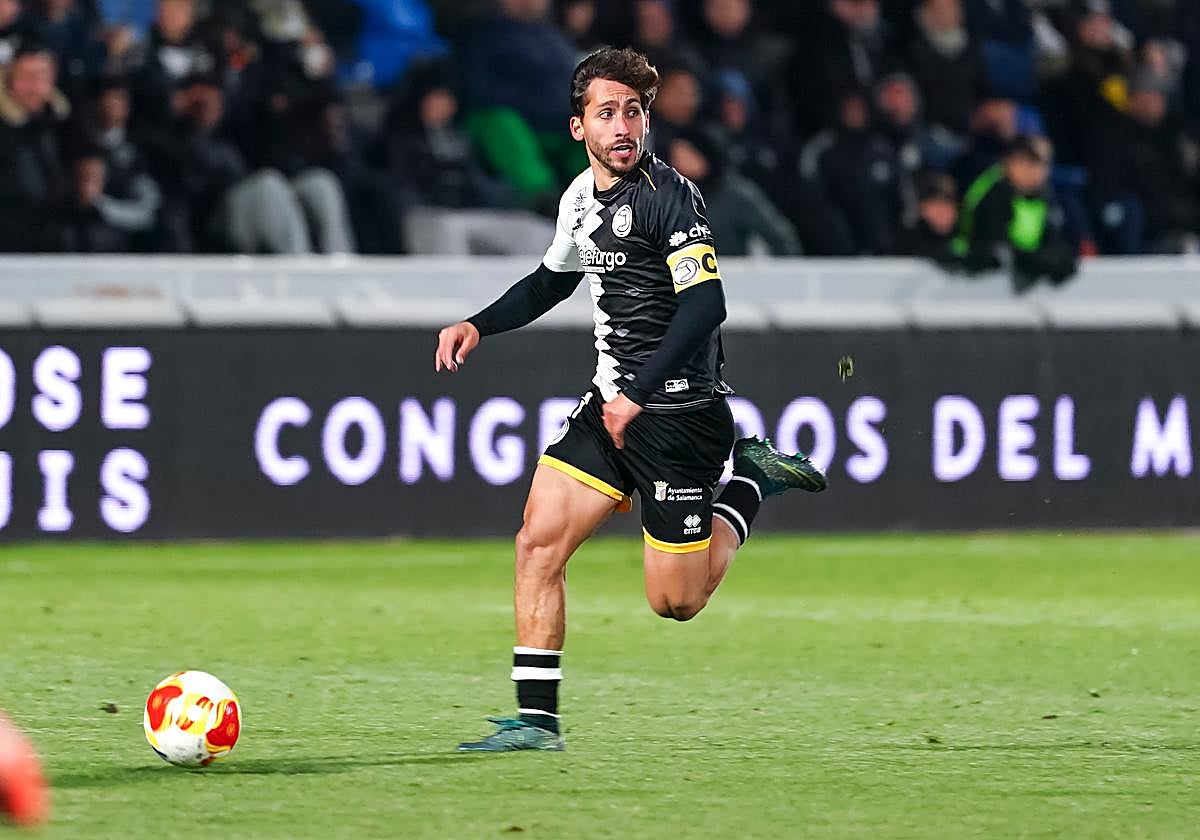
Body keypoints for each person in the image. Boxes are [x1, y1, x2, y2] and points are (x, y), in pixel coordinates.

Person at [434, 46, 826, 753]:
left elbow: (705, 305)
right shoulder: (579, 200)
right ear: (578, 127)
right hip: (609, 407)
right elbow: (551, 281)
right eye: (607, 113)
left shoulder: (669, 195)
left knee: (675, 602)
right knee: (536, 543)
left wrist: (640, 395)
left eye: (634, 112)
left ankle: (752, 480)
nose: (623, 126)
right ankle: (536, 722)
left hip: (678, 416)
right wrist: (477, 323)